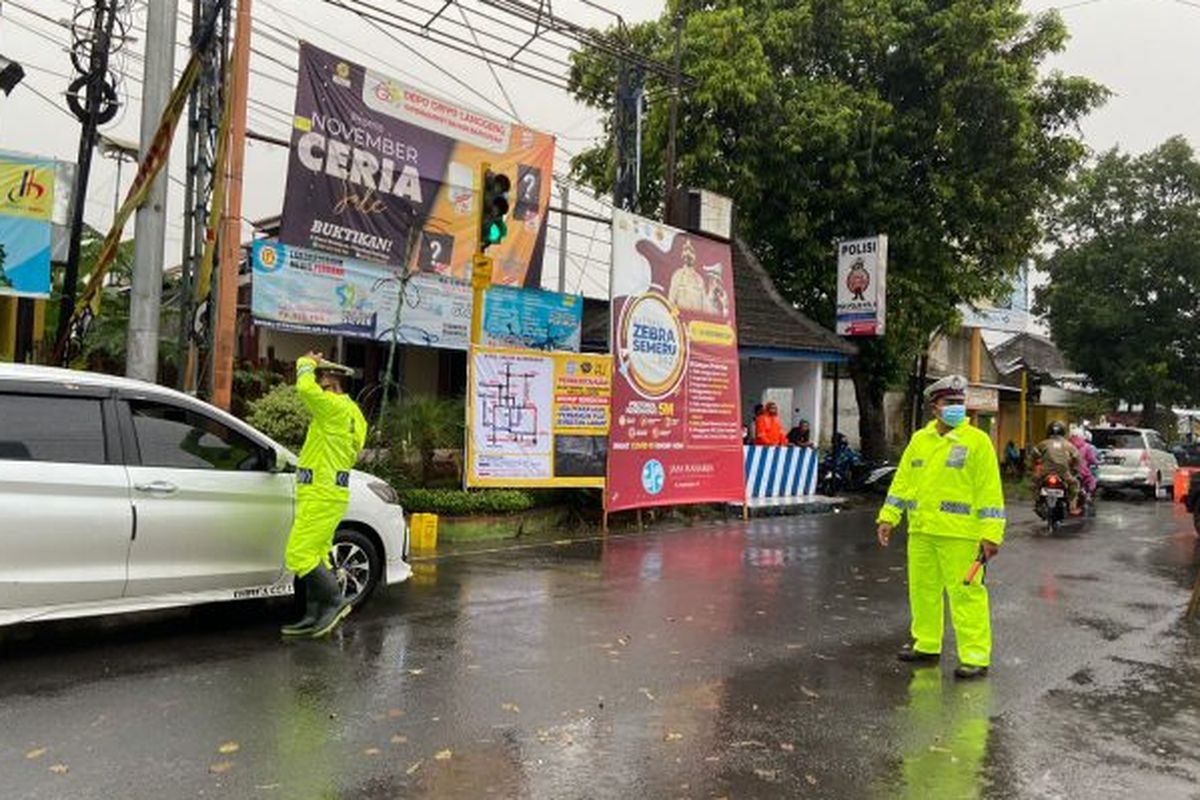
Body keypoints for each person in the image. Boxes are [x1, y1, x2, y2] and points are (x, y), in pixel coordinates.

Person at [876, 374, 1005, 680]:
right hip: (921, 531)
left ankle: (974, 655)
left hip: (961, 535)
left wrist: (992, 534)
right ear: (935, 407)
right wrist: (888, 517)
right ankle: (927, 644)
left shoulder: (977, 442)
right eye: (950, 403)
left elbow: (990, 491)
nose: (957, 408)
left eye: (960, 403)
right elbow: (904, 482)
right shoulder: (921, 440)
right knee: (923, 592)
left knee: (966, 595)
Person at [280, 352, 368, 638]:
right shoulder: (354, 415)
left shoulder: (333, 407)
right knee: (319, 555)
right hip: (327, 492)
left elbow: (304, 388)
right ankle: (314, 616)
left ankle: (333, 601)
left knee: (299, 554)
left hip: (321, 491)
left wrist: (305, 362)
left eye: (322, 378)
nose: (318, 382)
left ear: (332, 381)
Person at [1033, 421, 1082, 515]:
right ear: (1063, 432)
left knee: (1035, 483)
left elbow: (1034, 454)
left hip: (1045, 472)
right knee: (1074, 484)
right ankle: (1072, 506)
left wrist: (1032, 466)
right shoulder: (1068, 445)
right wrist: (1074, 467)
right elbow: (1076, 457)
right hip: (1063, 472)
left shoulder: (1044, 443)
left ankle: (1037, 502)